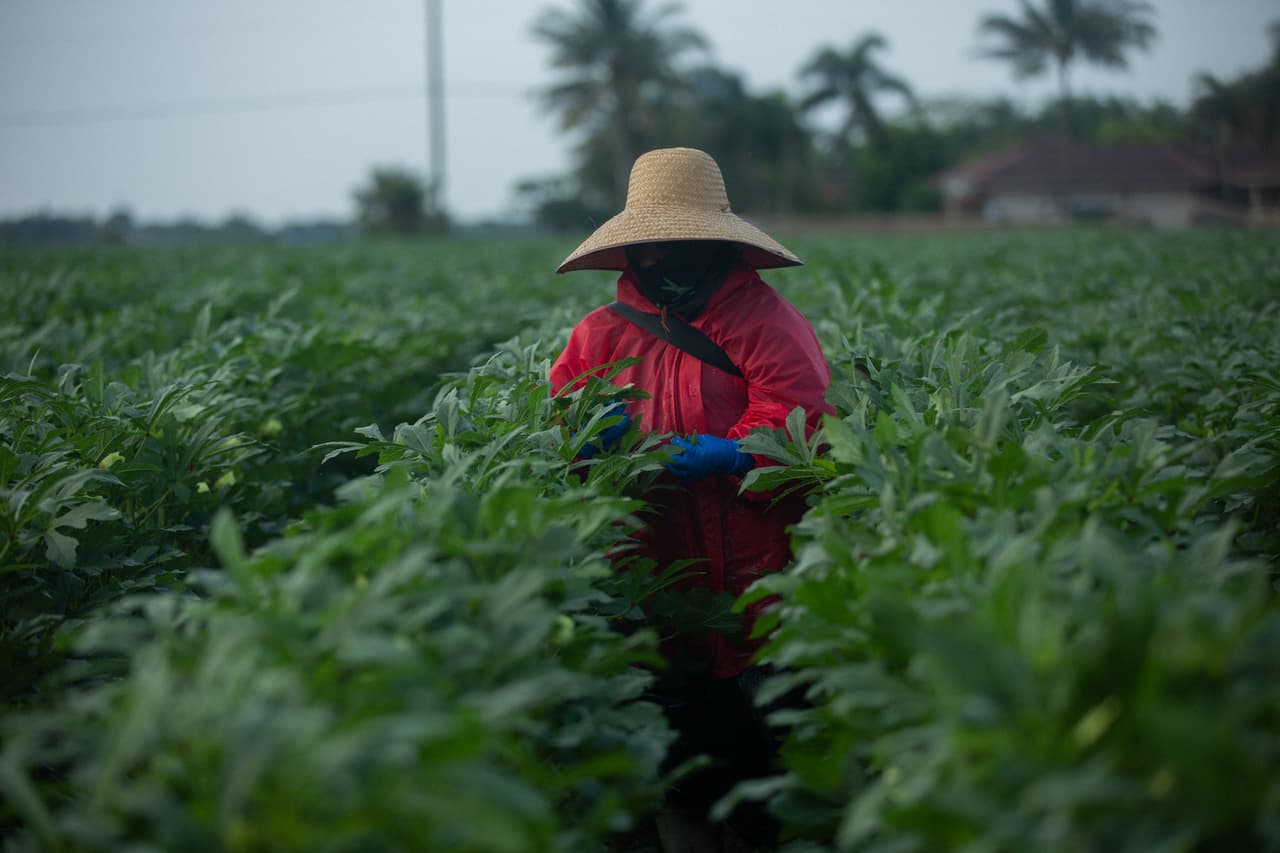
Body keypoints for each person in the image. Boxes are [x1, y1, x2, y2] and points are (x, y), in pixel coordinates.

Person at [550, 147, 832, 850]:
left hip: (761, 584)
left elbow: (803, 410)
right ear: (631, 249)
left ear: (715, 240)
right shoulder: (599, 334)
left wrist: (737, 451)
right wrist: (587, 436)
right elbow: (557, 426)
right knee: (682, 769)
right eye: (654, 242)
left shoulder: (763, 320)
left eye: (682, 239)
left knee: (766, 768)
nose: (667, 253)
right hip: (651, 579)